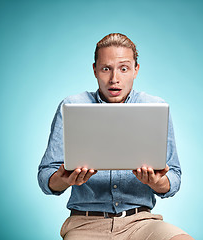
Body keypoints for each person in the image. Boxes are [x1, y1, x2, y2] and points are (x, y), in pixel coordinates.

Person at [38, 33, 194, 240]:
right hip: (85, 224)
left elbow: (174, 176)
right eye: (106, 69)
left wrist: (157, 183)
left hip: (141, 223)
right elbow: (45, 177)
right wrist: (63, 179)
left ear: (135, 70)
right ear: (95, 70)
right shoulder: (72, 106)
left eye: (123, 68)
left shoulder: (154, 107)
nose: (114, 79)